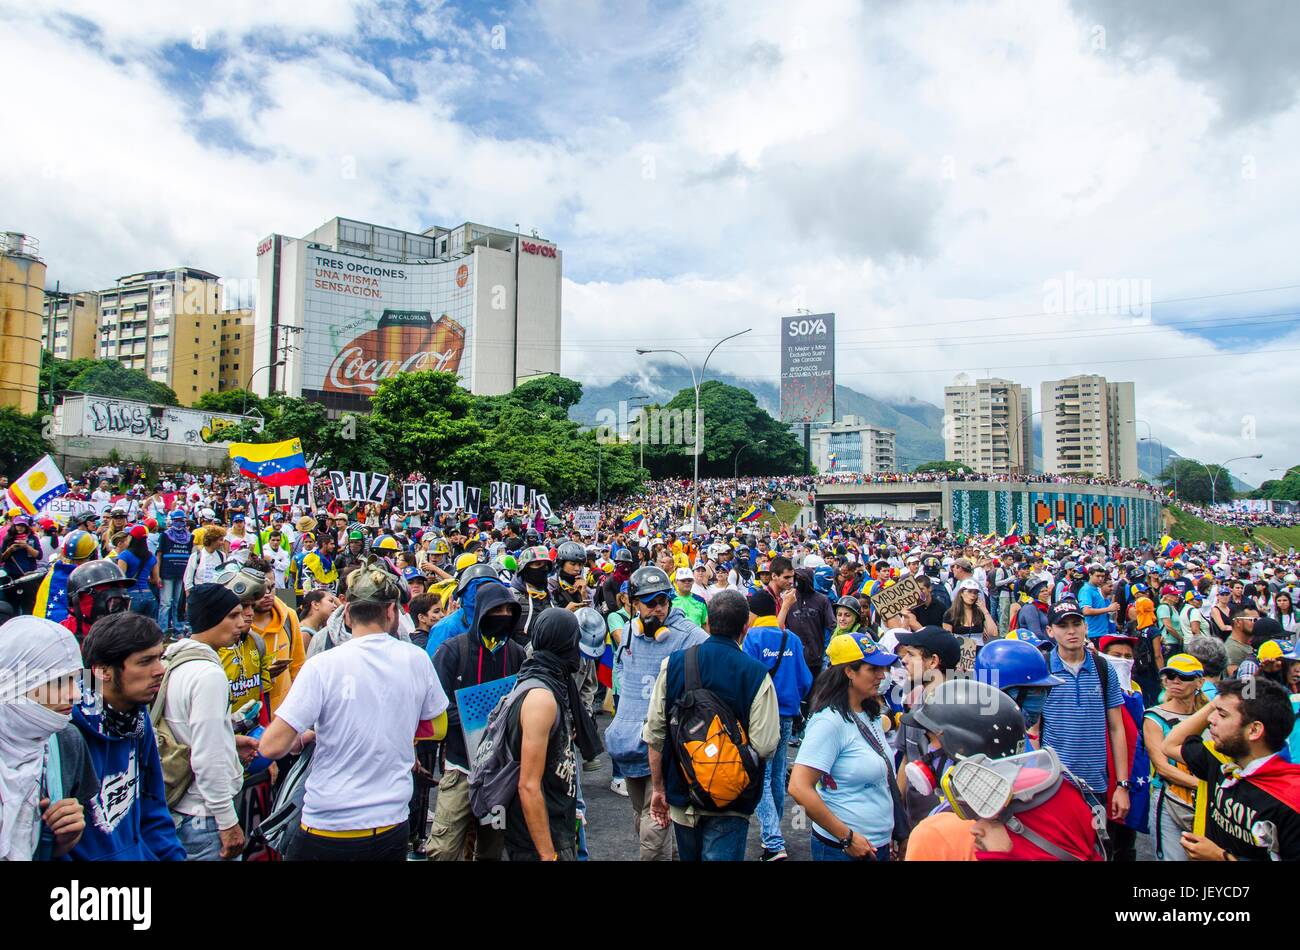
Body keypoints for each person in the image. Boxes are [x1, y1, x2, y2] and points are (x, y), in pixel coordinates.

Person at [257, 560, 449, 861]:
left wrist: (310, 734)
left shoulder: (323, 665)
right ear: (391, 612)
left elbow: (272, 745)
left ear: (347, 613)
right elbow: (437, 727)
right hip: (390, 823)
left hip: (328, 825)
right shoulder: (416, 659)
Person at [644, 589, 779, 861]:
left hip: (683, 792)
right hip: (732, 800)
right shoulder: (755, 673)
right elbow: (765, 745)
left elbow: (655, 733)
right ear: (745, 627)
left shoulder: (674, 664)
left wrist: (658, 788)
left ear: (709, 622)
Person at [604, 565, 707, 860]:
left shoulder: (689, 635)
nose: (658, 609)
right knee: (644, 820)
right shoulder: (628, 635)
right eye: (650, 603)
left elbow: (713, 661)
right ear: (633, 604)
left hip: (665, 746)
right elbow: (622, 670)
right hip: (628, 745)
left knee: (653, 826)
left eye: (663, 601)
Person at [71, 613, 187, 861]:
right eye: (145, 661)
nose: (160, 670)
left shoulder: (135, 716)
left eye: (160, 657)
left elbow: (153, 805)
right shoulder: (67, 732)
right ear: (103, 671)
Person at [426, 581, 526, 860]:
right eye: (497, 609)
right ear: (481, 611)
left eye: (509, 610)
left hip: (499, 773)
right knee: (443, 849)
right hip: (460, 767)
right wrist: (475, 719)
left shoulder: (516, 654)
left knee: (491, 849)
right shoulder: (452, 650)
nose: (503, 615)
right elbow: (435, 703)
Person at [788, 633, 903, 861]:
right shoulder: (829, 722)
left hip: (876, 845)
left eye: (883, 669)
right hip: (842, 850)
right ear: (849, 672)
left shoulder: (868, 713)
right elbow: (799, 787)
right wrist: (847, 837)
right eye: (873, 669)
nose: (882, 675)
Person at [1161, 677, 1300, 860]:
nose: (1210, 718)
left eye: (1223, 714)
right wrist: (1217, 703)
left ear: (1254, 730)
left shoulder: (1291, 799)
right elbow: (1170, 745)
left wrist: (1220, 857)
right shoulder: (1221, 760)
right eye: (1214, 711)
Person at [156, 584, 247, 860]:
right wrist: (227, 821)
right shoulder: (208, 675)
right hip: (204, 816)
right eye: (233, 616)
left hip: (181, 808)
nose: (241, 623)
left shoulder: (174, 659)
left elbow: (188, 732)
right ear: (211, 617)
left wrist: (230, 741)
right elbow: (208, 755)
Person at [504, 609, 603, 861]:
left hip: (557, 822)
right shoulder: (542, 697)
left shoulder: (551, 680)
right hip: (541, 838)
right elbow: (528, 785)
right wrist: (548, 855)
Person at [0, 617, 97, 861]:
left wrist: (66, 838)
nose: (75, 695)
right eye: (57, 682)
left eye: (76, 680)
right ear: (13, 683)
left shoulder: (66, 741)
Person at [1039, 600, 1131, 829]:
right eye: (1063, 626)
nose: (1071, 631)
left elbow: (1116, 727)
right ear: (1050, 631)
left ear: (1085, 626)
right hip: (1053, 784)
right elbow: (1032, 729)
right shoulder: (1042, 668)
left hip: (1095, 784)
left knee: (1095, 847)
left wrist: (1122, 785)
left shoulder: (1103, 668)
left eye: (1076, 623)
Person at [741, 588, 813, 861]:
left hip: (761, 716)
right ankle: (773, 837)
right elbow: (805, 681)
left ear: (753, 613)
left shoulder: (753, 637)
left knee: (763, 776)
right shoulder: (791, 638)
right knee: (777, 774)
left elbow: (747, 678)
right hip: (786, 715)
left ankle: (773, 841)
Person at [1143, 653, 1206, 861]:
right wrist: (1204, 786)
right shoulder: (1154, 717)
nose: (1175, 681)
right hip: (1169, 798)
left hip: (1205, 802)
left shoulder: (1210, 714)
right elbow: (1162, 767)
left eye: (1183, 676)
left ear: (1199, 682)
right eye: (1170, 676)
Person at [1096, 634, 1151, 860]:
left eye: (1128, 656)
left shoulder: (1135, 689)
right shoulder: (1095, 686)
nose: (1123, 660)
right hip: (1103, 772)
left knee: (1126, 842)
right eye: (1116, 656)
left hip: (1131, 771)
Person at [245, 557, 305, 714]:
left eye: (271, 587)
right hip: (248, 719)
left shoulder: (289, 617)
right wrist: (262, 676)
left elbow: (298, 667)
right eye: (261, 589)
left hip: (283, 715)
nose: (267, 594)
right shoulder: (237, 625)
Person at [157, 511, 193, 636]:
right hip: (167, 573)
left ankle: (178, 629)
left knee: (178, 603)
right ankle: (162, 630)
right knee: (165, 603)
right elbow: (159, 554)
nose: (179, 523)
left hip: (182, 574)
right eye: (176, 520)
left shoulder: (190, 537)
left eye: (181, 520)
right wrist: (158, 574)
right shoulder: (165, 536)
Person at [115, 524, 160, 620]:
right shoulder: (151, 556)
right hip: (149, 595)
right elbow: (155, 580)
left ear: (131, 538)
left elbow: (121, 579)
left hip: (131, 596)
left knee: (131, 630)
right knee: (149, 630)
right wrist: (145, 579)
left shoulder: (124, 556)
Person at [1079, 564, 1118, 640]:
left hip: (1102, 632)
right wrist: (1108, 609)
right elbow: (1086, 611)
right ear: (1090, 575)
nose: (1100, 579)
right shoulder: (1086, 590)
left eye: (1102, 576)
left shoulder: (1097, 589)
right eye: (1097, 576)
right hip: (1094, 634)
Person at [1223, 602, 1261, 677]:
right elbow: (1238, 681)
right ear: (1237, 622)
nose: (1258, 624)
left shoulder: (1249, 643)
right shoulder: (1233, 649)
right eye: (1253, 620)